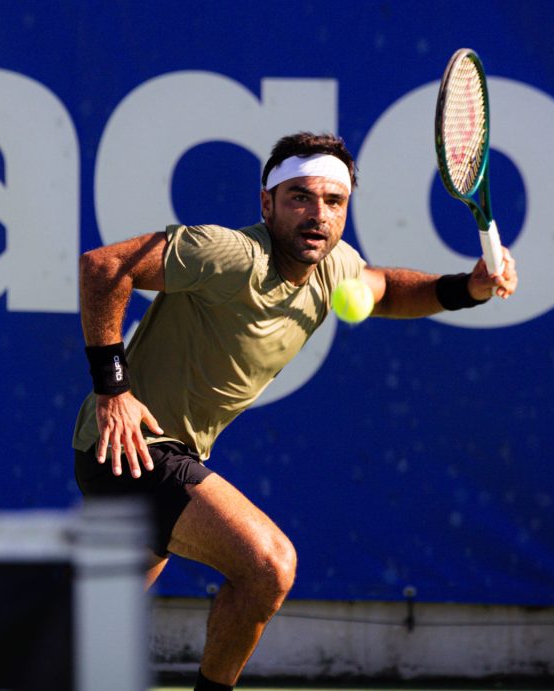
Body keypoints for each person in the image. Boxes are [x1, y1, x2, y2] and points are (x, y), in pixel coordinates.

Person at [72, 132, 518, 691]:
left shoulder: (335, 267)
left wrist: (468, 288)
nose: (317, 215)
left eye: (334, 201)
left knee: (76, 629)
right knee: (269, 567)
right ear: (268, 204)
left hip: (168, 451)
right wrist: (113, 390)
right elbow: (104, 266)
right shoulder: (228, 253)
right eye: (300, 197)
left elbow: (385, 290)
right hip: (131, 449)